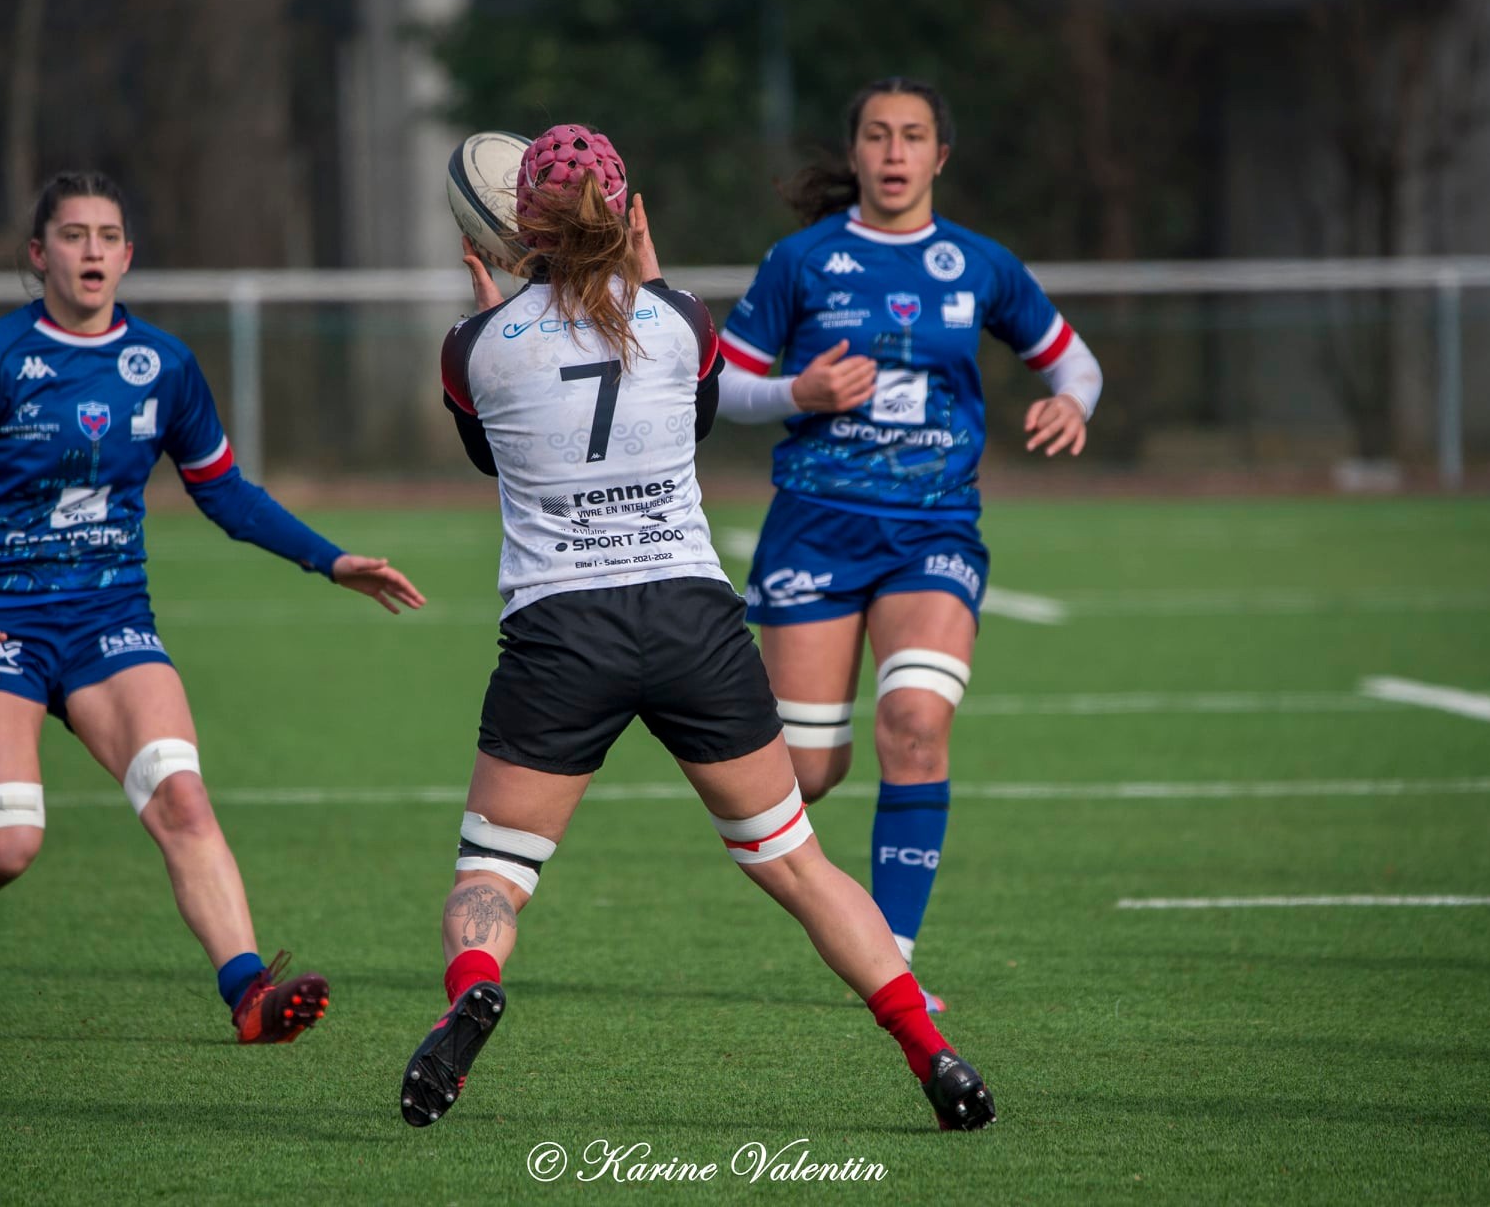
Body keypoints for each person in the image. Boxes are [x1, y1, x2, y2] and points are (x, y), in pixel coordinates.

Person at [398, 124, 993, 1133]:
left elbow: (491, 454)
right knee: (798, 864)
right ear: (630, 217)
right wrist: (649, 283)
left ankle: (472, 993)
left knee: (492, 874)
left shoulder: (471, 351)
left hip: (561, 630)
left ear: (510, 237)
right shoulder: (681, 320)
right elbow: (697, 409)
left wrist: (497, 312)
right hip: (690, 621)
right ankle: (931, 1051)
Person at [0, 170, 426, 1042]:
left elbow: (227, 494)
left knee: (182, 799)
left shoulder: (164, 366)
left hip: (108, 623)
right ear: (38, 254)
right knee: (8, 845)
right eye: (71, 234)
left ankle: (249, 995)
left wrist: (330, 559)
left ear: (128, 256)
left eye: (107, 236)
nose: (91, 250)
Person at [714, 78, 1105, 1013]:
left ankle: (891, 956)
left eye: (914, 136)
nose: (895, 153)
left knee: (917, 726)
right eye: (878, 135)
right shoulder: (801, 262)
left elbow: (1072, 359)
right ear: (854, 154)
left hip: (934, 529)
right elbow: (722, 384)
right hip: (815, 523)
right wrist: (796, 396)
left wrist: (1068, 400)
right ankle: (830, 856)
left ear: (941, 157)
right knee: (806, 770)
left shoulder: (979, 265)